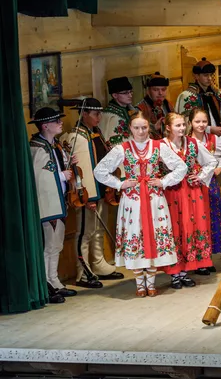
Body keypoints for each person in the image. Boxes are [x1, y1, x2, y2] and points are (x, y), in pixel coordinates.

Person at [94, 112, 187, 297]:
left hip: (154, 199)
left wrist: (164, 181)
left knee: (153, 235)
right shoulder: (122, 149)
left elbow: (181, 167)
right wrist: (120, 184)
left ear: (149, 128)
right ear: (130, 128)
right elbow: (100, 171)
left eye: (144, 127)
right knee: (136, 234)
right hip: (133, 200)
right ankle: (139, 284)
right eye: (136, 128)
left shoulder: (158, 146)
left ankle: (151, 283)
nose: (141, 131)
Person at [61, 98, 123, 289]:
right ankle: (82, 270)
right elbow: (82, 169)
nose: (99, 117)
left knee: (97, 229)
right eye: (95, 114)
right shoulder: (76, 137)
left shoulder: (94, 133)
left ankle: (97, 263)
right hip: (88, 193)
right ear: (84, 114)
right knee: (84, 232)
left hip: (100, 189)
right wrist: (87, 196)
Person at [161, 113, 217, 289]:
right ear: (168, 127)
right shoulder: (161, 146)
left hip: (192, 192)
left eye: (183, 125)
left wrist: (200, 176)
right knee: (175, 229)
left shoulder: (193, 143)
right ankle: (174, 273)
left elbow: (211, 161)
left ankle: (185, 272)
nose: (182, 129)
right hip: (172, 193)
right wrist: (164, 180)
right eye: (177, 126)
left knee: (191, 227)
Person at [29, 107, 77, 304]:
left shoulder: (54, 145)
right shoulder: (37, 148)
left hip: (60, 200)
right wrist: (60, 176)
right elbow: (39, 177)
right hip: (48, 203)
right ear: (45, 126)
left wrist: (69, 163)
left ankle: (54, 279)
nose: (60, 123)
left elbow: (58, 165)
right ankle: (47, 282)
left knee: (56, 243)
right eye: (56, 121)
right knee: (49, 243)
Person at [190, 108, 221, 269]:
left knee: (211, 219)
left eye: (204, 122)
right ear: (191, 123)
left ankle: (208, 257)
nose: (201, 125)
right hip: (194, 185)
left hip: (211, 185)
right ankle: (198, 256)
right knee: (197, 220)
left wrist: (220, 167)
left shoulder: (214, 139)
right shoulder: (188, 141)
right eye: (197, 122)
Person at [176, 58, 221, 135]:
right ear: (196, 76)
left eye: (211, 75)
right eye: (206, 75)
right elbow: (187, 123)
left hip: (219, 136)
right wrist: (209, 129)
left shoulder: (216, 93)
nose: (210, 78)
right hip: (199, 139)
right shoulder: (187, 96)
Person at [100, 76, 136, 147]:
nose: (130, 95)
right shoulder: (109, 115)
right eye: (125, 93)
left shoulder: (130, 109)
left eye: (130, 92)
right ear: (115, 95)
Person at [136, 72, 173, 139]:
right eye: (156, 90)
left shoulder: (168, 104)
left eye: (163, 89)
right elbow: (137, 132)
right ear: (148, 90)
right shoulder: (140, 108)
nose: (160, 93)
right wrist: (153, 127)